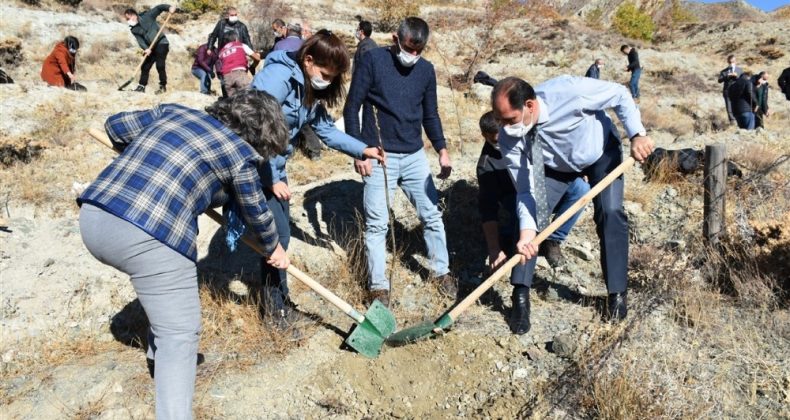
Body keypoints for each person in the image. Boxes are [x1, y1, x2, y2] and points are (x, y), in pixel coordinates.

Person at [78, 90, 290, 419]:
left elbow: (115, 127)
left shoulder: (175, 113)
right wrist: (274, 248)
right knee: (180, 334)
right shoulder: (240, 154)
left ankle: (156, 357)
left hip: (95, 218)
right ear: (260, 137)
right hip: (147, 235)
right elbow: (256, 213)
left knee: (167, 301)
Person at [491, 76, 653, 334]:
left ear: (530, 106)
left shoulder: (570, 93)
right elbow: (525, 190)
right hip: (554, 167)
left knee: (610, 212)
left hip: (598, 152)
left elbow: (620, 94)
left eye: (509, 119)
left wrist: (637, 134)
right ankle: (520, 296)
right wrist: (526, 235)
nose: (504, 127)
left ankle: (617, 295)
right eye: (500, 120)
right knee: (535, 222)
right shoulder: (509, 136)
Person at [251, 29, 385, 328]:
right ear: (308, 59)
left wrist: (363, 149)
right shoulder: (278, 78)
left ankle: (280, 301)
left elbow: (325, 131)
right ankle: (274, 311)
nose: (327, 80)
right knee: (279, 238)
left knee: (279, 236)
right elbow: (256, 127)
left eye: (333, 76)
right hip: (254, 167)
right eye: (325, 73)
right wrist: (271, 177)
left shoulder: (306, 88)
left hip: (275, 169)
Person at [343, 17, 456, 306]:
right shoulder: (372, 60)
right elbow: (352, 106)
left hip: (415, 155)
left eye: (419, 51)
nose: (412, 56)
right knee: (378, 224)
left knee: (432, 215)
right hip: (380, 156)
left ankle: (441, 271)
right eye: (408, 49)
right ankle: (378, 287)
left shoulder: (426, 71)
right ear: (396, 39)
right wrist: (359, 151)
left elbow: (430, 114)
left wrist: (441, 149)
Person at [476, 111, 590, 271]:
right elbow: (488, 209)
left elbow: (555, 157)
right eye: (496, 141)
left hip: (546, 187)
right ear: (485, 135)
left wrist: (579, 170)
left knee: (581, 188)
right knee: (519, 210)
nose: (503, 143)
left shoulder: (524, 136)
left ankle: (553, 240)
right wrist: (494, 249)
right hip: (515, 198)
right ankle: (514, 234)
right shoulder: (487, 165)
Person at [125, 4, 175, 94]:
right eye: (127, 19)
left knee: (160, 65)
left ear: (134, 15)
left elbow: (159, 8)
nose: (129, 21)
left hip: (161, 43)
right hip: (151, 47)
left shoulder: (147, 16)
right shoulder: (133, 29)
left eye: (129, 18)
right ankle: (141, 87)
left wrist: (169, 8)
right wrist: (146, 49)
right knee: (145, 66)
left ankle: (162, 86)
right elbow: (140, 41)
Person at [216, 32, 261, 98]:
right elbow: (257, 58)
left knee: (233, 102)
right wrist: (253, 66)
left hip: (227, 77)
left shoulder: (221, 52)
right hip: (240, 74)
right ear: (236, 39)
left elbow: (218, 68)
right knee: (249, 98)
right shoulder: (241, 45)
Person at [718, 55, 743, 123]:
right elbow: (719, 80)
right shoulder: (724, 71)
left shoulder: (740, 70)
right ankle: (732, 121)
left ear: (735, 61)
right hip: (727, 91)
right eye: (730, 62)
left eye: (733, 61)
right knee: (729, 107)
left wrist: (736, 76)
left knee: (738, 106)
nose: (731, 63)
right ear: (728, 62)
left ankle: (739, 120)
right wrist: (727, 76)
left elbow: (743, 80)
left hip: (737, 91)